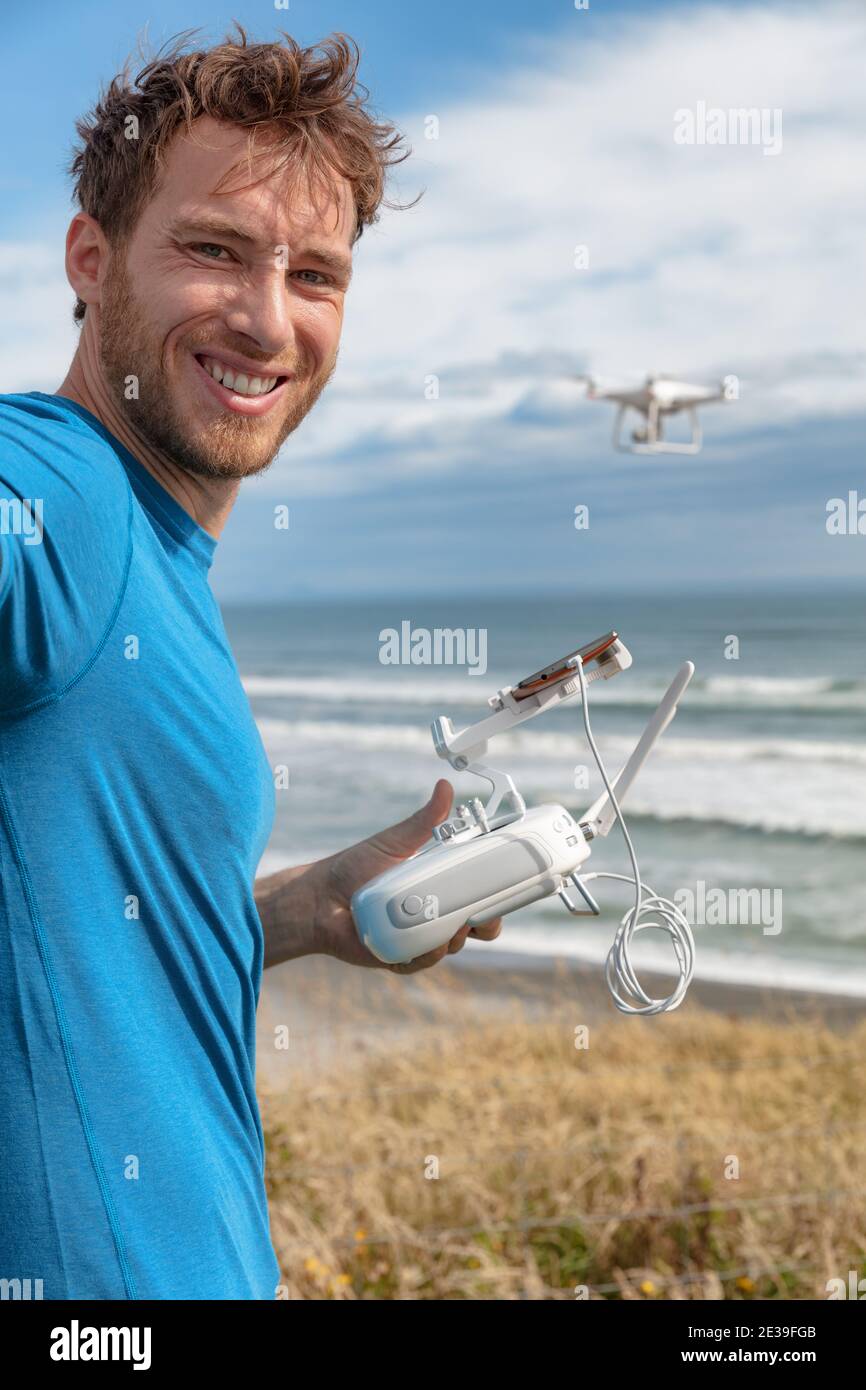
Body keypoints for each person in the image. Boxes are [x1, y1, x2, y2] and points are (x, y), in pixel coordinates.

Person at [0, 26, 501, 1301]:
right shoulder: (67, 492)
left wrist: (291, 917)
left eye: (314, 274)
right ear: (90, 257)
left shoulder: (156, 557)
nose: (270, 318)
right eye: (214, 249)